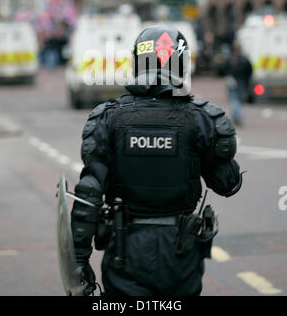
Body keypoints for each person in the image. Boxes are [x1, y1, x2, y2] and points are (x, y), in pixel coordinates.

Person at [70, 25, 243, 297]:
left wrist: (78, 261)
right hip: (181, 252)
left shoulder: (108, 117)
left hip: (124, 249)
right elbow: (228, 184)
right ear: (182, 65)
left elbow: (89, 192)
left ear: (138, 63)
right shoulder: (202, 119)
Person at [223, 42, 253, 126]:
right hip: (241, 82)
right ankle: (237, 117)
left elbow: (224, 68)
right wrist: (246, 81)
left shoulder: (230, 58)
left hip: (231, 81)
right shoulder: (244, 58)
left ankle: (236, 117)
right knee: (238, 100)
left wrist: (228, 76)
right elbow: (249, 70)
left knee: (233, 100)